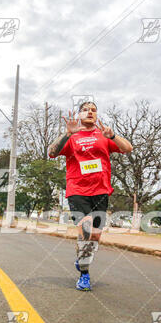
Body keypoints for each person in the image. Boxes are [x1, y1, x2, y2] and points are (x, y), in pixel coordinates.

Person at [48, 101, 132, 291]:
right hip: (77, 189)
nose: (90, 112)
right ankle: (84, 275)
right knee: (85, 227)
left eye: (93, 110)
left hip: (101, 191)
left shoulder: (104, 135)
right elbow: (52, 153)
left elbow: (128, 148)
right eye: (85, 110)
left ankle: (82, 259)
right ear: (79, 115)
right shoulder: (72, 137)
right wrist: (67, 134)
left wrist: (113, 136)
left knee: (94, 237)